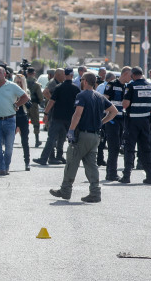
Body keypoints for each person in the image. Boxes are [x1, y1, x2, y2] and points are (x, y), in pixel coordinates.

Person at [50, 72, 117, 202]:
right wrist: (101, 122)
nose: (81, 82)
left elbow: (77, 114)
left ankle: (65, 190)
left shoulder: (82, 95)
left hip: (82, 135)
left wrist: (71, 130)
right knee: (91, 165)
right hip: (95, 136)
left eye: (82, 80)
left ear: (85, 81)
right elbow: (114, 111)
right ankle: (95, 192)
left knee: (72, 162)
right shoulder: (100, 97)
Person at [0, 66, 29, 175]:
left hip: (10, 120)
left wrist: (16, 104)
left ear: (4, 74)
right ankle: (1, 167)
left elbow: (25, 97)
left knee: (9, 146)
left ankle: (6, 167)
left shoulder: (13, 86)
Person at [34, 68, 79, 166]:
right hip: (70, 119)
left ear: (65, 75)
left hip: (57, 117)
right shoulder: (76, 89)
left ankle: (43, 159)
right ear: (72, 75)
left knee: (51, 139)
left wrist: (45, 114)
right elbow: (79, 105)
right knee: (71, 139)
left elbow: (51, 102)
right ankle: (74, 160)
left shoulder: (58, 87)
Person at [120, 66, 151, 184]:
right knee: (146, 148)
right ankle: (150, 176)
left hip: (133, 121)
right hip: (145, 121)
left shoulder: (131, 86)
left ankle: (126, 176)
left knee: (129, 148)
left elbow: (125, 104)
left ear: (133, 75)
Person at [102, 67, 129, 181]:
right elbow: (104, 100)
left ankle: (111, 172)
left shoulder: (126, 87)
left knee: (117, 147)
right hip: (112, 119)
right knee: (113, 146)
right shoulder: (112, 85)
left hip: (121, 119)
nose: (131, 78)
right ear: (125, 74)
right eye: (130, 75)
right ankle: (111, 173)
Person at [14, 74, 31, 171]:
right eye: (17, 82)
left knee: (25, 141)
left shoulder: (26, 92)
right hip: (13, 116)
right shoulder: (12, 91)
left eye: (20, 82)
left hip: (23, 117)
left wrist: (24, 97)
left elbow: (29, 106)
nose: (19, 84)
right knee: (9, 141)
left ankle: (27, 162)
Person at [26, 67, 44, 147]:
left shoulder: (23, 82)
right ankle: (37, 140)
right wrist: (41, 102)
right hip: (33, 104)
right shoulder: (36, 84)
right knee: (36, 123)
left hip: (24, 104)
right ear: (33, 73)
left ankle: (24, 139)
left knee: (24, 122)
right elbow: (40, 96)